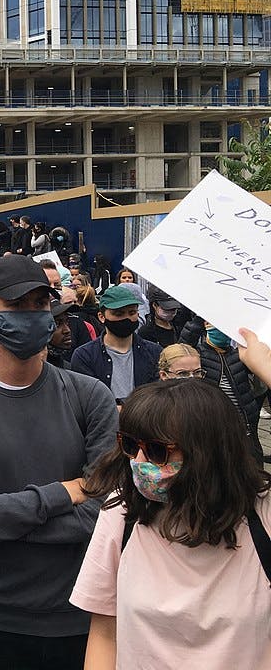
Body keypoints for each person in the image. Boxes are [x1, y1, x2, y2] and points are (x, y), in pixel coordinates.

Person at [0, 254, 118, 670]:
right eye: (18, 306)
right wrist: (64, 493)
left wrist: (5, 521)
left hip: (80, 616)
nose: (34, 316)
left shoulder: (89, 396)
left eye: (41, 305)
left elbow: (107, 511)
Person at [70, 380, 271, 668]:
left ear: (208, 453)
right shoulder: (122, 510)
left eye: (156, 450)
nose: (138, 461)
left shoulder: (262, 514)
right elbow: (104, 632)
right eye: (129, 445)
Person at [180, 316, 265, 461]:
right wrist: (198, 319)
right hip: (215, 427)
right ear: (206, 325)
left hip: (244, 426)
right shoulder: (199, 355)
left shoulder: (239, 354)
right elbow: (182, 347)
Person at [71, 285, 161, 405]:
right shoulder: (85, 356)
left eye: (132, 312)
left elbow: (158, 396)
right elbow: (87, 400)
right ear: (101, 317)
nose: (127, 318)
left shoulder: (154, 352)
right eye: (119, 314)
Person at [46, 299, 73, 368]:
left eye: (67, 321)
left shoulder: (70, 369)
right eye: (57, 324)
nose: (67, 330)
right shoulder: (32, 371)